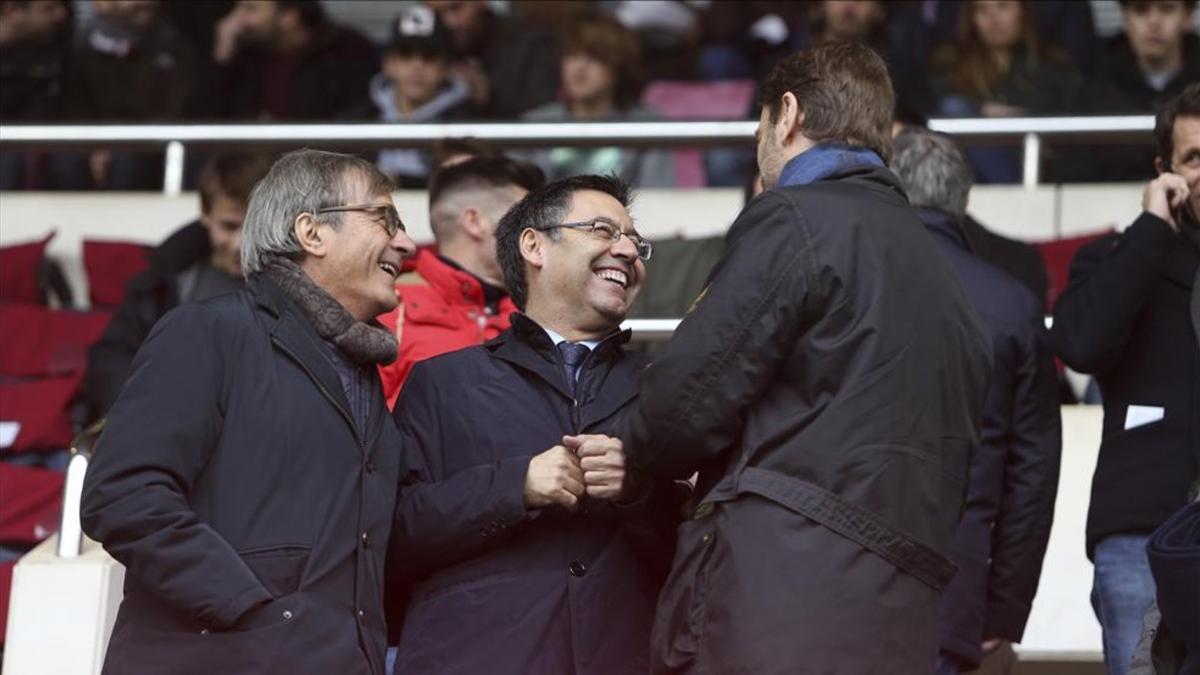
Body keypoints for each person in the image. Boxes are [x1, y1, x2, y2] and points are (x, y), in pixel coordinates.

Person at [614, 41, 993, 673]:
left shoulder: (794, 218)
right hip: (900, 611)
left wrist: (626, 443)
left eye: (758, 125)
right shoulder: (945, 272)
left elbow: (680, 409)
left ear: (786, 114)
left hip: (783, 596)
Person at [80, 149, 417, 674]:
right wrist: (255, 610)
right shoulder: (209, 330)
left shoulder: (358, 367)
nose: (406, 243)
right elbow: (122, 495)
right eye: (384, 219)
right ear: (311, 232)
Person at [387, 175, 686, 674]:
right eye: (602, 229)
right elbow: (393, 536)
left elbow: (701, 553)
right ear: (534, 246)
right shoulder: (443, 382)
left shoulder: (664, 388)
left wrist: (637, 489)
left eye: (636, 241)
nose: (628, 251)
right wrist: (514, 486)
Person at [891, 129, 1063, 675]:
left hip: (830, 589)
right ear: (964, 201)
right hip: (954, 595)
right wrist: (1006, 609)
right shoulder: (1013, 305)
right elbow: (1031, 476)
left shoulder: (841, 282)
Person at [1049, 83, 1200, 675]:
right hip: (1143, 529)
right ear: (1165, 172)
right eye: (1195, 158)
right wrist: (1152, 227)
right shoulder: (1121, 255)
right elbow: (1080, 344)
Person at [81, 151, 273, 423]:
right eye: (229, 226)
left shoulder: (299, 280)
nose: (240, 244)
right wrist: (146, 411)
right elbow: (112, 359)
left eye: (255, 227)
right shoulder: (165, 277)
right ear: (205, 214)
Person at [377, 155, 545, 408]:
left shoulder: (538, 314)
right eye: (523, 221)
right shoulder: (387, 311)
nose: (536, 238)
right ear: (475, 222)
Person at [928, 0, 1081, 183]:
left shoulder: (1055, 66)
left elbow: (1069, 130)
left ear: (1023, 11)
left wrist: (1015, 120)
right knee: (955, 108)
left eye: (1003, 6)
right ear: (971, 18)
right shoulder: (948, 66)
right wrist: (978, 113)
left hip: (1039, 168)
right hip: (970, 175)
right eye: (981, 9)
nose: (993, 19)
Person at [522, 16, 675, 188]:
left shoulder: (647, 123)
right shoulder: (534, 123)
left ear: (618, 67)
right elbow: (515, 201)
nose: (579, 68)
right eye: (572, 56)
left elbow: (658, 197)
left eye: (594, 58)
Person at [66, 0, 197, 189]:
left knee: (128, 160)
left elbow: (174, 108)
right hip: (93, 140)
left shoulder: (173, 47)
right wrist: (94, 145)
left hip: (151, 142)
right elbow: (74, 108)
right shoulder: (80, 49)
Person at [1071, 0, 1199, 182]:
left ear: (1187, 17)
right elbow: (1075, 177)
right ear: (1125, 18)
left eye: (1166, 9)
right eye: (1140, 10)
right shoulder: (1092, 90)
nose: (1154, 22)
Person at [205, 0, 376, 120]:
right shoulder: (243, 55)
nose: (237, 19)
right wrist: (222, 53)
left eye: (250, 9)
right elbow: (201, 119)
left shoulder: (347, 52)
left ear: (288, 16)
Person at [370, 5, 472, 188]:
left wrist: (400, 181)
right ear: (388, 64)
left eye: (429, 56)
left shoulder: (467, 121)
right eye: (406, 54)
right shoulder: (363, 115)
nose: (417, 65)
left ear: (446, 67)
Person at [426, 0, 559, 119]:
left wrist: (489, 96)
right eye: (438, 14)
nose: (449, 22)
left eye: (456, 8)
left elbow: (543, 111)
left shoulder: (531, 45)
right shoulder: (430, 49)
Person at [0, 0, 71, 189]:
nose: (61, 15)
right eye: (49, 8)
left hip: (37, 154)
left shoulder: (58, 55)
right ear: (13, 11)